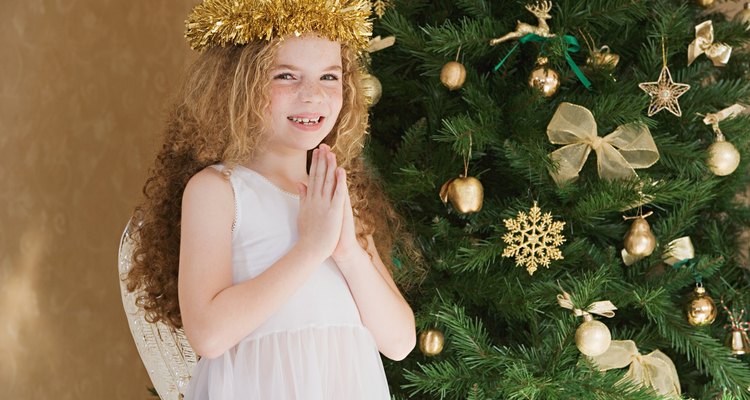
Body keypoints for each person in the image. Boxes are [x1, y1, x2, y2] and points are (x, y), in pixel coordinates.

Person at [125, 0, 417, 398]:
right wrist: (311, 249)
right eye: (286, 76)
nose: (313, 95)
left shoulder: (334, 193)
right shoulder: (219, 191)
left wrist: (348, 251)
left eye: (329, 77)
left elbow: (400, 342)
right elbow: (209, 336)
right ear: (237, 84)